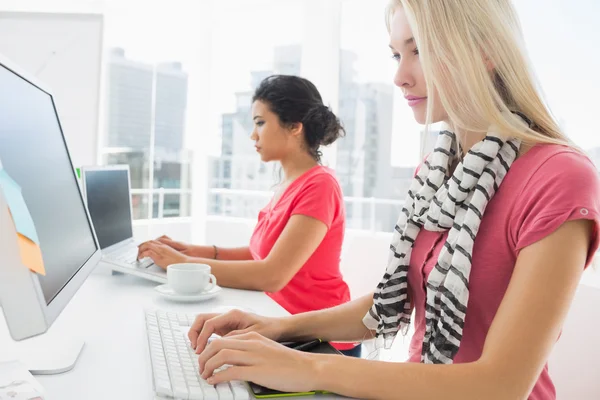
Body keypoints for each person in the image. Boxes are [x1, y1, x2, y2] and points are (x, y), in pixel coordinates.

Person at [185, 1, 600, 398]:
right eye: (395, 55)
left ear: (486, 52)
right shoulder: (437, 171)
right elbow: (395, 299)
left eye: (418, 50)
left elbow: (500, 386)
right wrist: (278, 327)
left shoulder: (560, 177)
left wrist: (305, 367)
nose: (400, 76)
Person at [138, 74, 359, 356]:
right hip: (285, 330)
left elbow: (272, 275)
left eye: (260, 122)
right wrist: (195, 251)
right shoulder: (288, 184)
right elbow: (261, 254)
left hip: (322, 343)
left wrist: (184, 264)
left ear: (294, 127)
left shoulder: (320, 186)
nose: (253, 135)